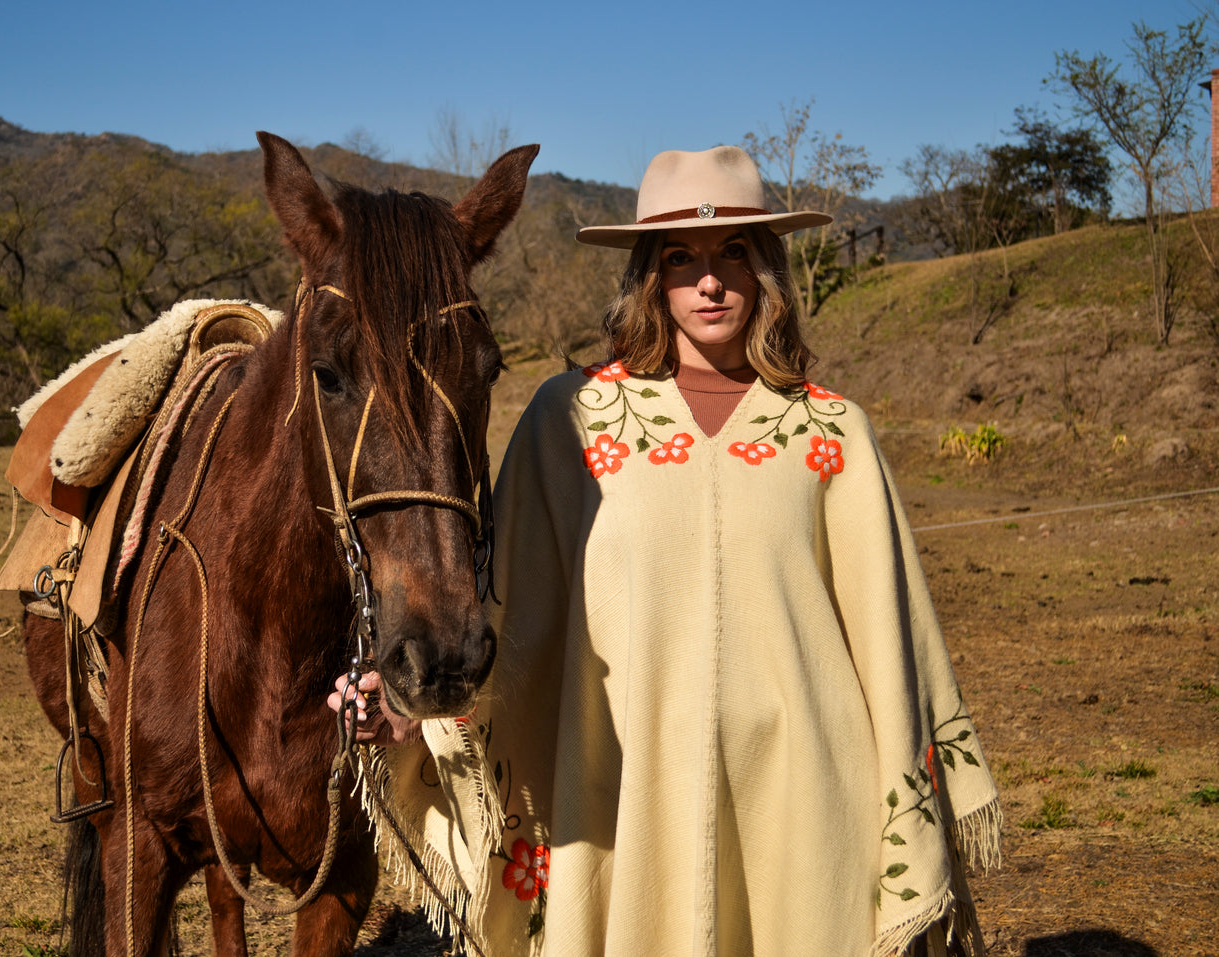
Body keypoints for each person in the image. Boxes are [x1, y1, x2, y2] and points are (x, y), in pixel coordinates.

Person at [332, 145, 1000, 957]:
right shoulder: (569, 417)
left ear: (767, 271)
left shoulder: (833, 434)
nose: (709, 282)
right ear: (651, 273)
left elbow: (892, 649)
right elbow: (509, 620)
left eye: (733, 255)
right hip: (622, 798)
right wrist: (406, 708)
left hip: (805, 798)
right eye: (681, 258)